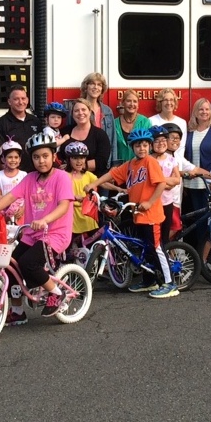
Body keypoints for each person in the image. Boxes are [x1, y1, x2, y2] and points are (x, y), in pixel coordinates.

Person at [0, 133, 75, 323]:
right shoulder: (30, 178)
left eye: (45, 156)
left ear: (53, 155)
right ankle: (17, 311)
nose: (41, 161)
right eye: (36, 157)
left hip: (55, 234)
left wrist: (45, 220)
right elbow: (8, 198)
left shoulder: (62, 177)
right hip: (32, 234)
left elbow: (64, 205)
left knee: (28, 263)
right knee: (10, 266)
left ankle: (57, 294)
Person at [85, 128, 177, 298]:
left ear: (149, 146)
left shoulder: (150, 162)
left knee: (156, 248)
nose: (141, 148)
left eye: (144, 145)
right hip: (138, 215)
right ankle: (149, 281)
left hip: (151, 214)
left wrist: (149, 202)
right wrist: (94, 183)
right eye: (137, 145)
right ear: (132, 147)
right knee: (145, 248)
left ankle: (170, 283)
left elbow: (161, 184)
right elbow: (112, 174)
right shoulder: (130, 165)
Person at [182, 98, 211, 220]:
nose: (204, 112)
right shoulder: (189, 130)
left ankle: (210, 240)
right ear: (195, 112)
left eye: (207, 109)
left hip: (210, 182)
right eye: (201, 109)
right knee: (196, 219)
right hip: (191, 183)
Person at [63, 141, 99, 252]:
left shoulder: (88, 175)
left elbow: (101, 182)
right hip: (72, 218)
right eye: (75, 158)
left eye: (82, 158)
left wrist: (119, 189)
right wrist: (73, 197)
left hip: (88, 217)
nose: (79, 161)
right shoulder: (64, 175)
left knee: (91, 249)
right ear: (69, 159)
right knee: (70, 250)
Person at [60, 101, 111, 173]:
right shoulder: (64, 132)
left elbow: (102, 162)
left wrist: (72, 166)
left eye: (83, 109)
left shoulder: (100, 134)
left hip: (92, 180)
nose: (80, 113)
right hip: (67, 179)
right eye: (76, 110)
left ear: (90, 112)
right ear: (72, 114)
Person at [78, 73, 117, 160]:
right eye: (92, 83)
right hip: (82, 161)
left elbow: (113, 141)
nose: (96, 87)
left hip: (104, 161)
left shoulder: (108, 111)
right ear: (86, 87)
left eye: (99, 85)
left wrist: (113, 164)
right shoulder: (78, 109)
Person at [0, 140, 28, 222]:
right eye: (10, 157)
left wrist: (23, 208)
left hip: (20, 209)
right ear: (3, 159)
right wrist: (10, 206)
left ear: (19, 160)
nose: (13, 160)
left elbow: (27, 196)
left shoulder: (24, 175)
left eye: (16, 157)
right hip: (3, 208)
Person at [113, 89, 152, 163]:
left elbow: (150, 147)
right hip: (120, 168)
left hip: (140, 166)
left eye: (135, 101)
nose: (132, 104)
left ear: (138, 105)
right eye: (128, 101)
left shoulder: (145, 122)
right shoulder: (114, 123)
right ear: (122, 103)